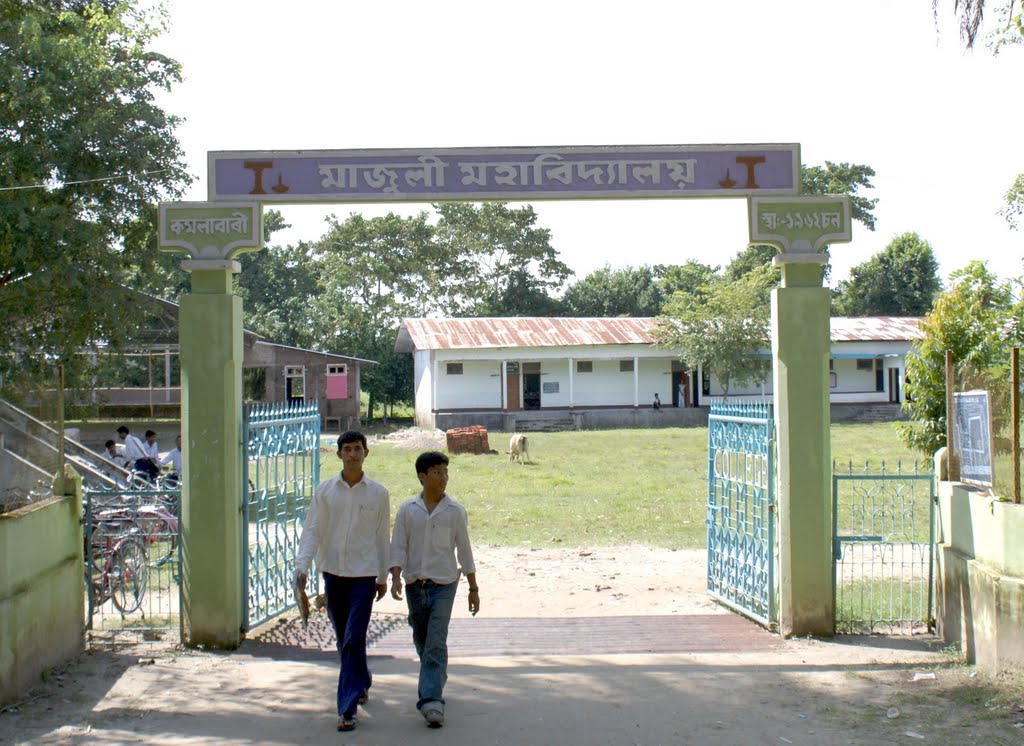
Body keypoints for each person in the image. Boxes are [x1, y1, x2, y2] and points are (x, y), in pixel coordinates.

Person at [293, 431, 390, 733]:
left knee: (353, 638)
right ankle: (361, 679)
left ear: (366, 453)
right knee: (343, 637)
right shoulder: (325, 491)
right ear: (338, 454)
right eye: (346, 449)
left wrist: (383, 576)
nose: (352, 454)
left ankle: (346, 708)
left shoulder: (378, 493)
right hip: (333, 575)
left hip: (364, 577)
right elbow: (312, 530)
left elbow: (381, 536)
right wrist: (301, 567)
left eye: (357, 449)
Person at [389, 451, 479, 729]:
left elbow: (464, 551)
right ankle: (436, 674)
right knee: (423, 639)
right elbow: (398, 546)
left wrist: (473, 587)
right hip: (415, 584)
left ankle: (431, 700)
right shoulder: (407, 510)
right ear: (423, 476)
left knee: (436, 640)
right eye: (438, 472)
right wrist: (395, 577)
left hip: (444, 585)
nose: (444, 478)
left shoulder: (455, 511)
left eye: (445, 472)